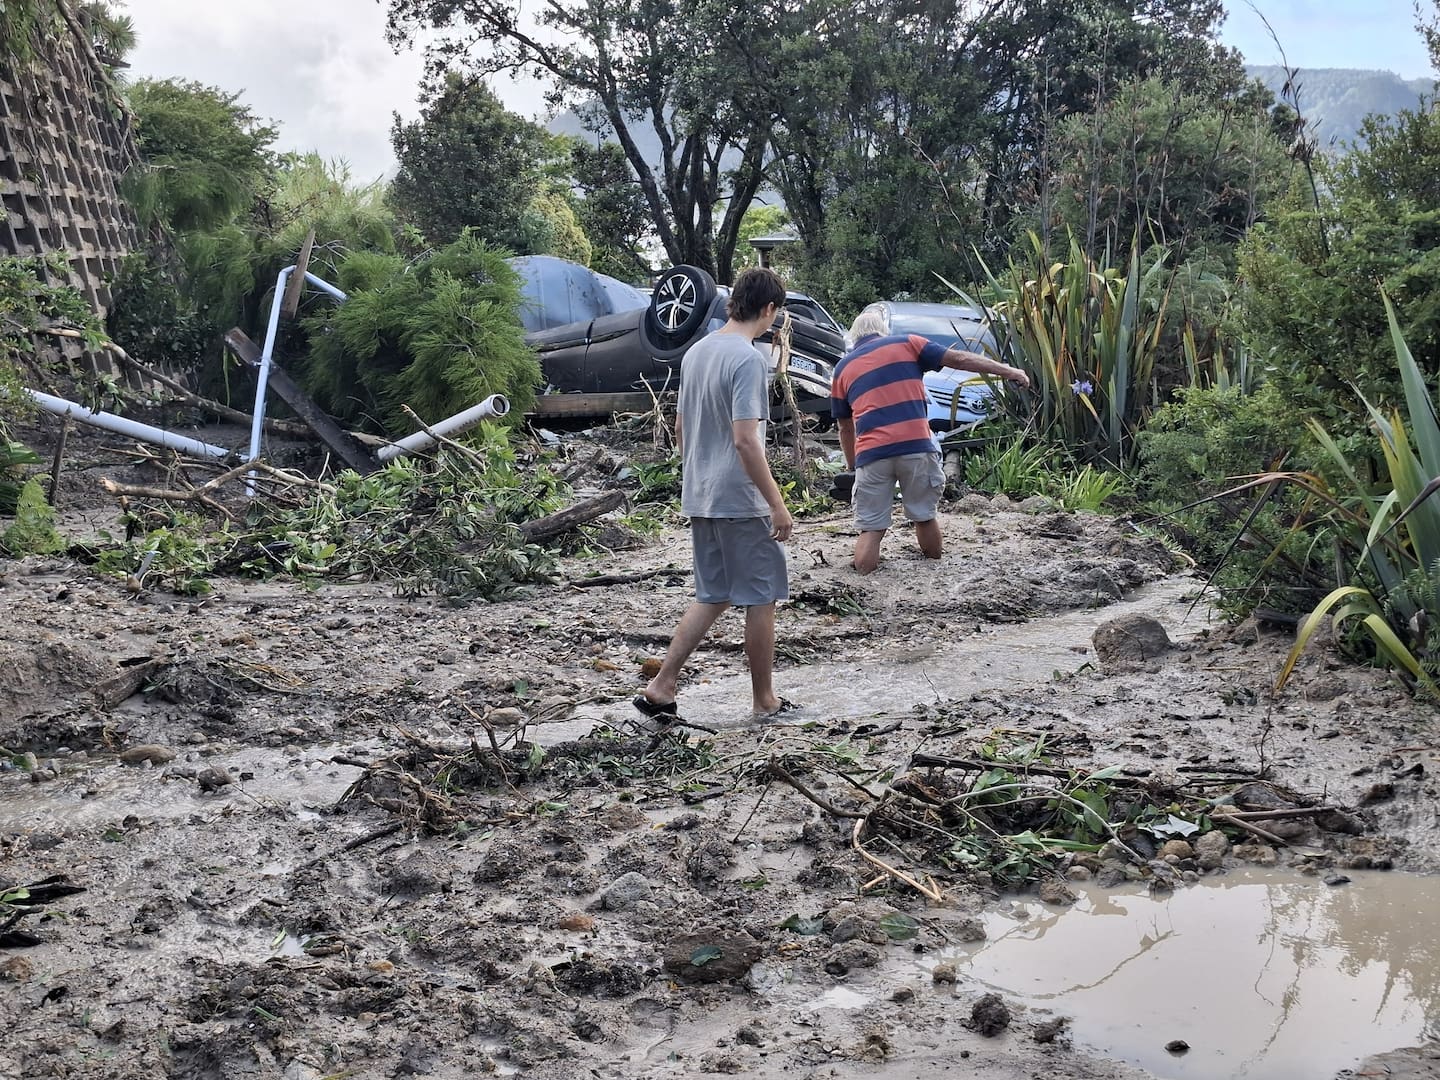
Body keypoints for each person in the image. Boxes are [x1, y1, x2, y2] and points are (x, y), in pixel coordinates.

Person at [635, 267, 796, 721]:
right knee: (762, 596)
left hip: (701, 492)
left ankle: (662, 686)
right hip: (739, 498)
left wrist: (699, 472)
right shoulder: (748, 359)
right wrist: (777, 504)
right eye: (776, 313)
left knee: (715, 594)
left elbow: (681, 428)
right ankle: (765, 700)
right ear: (769, 309)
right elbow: (746, 441)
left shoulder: (698, 351)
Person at [832, 305, 1029, 574]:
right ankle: (933, 574)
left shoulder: (842, 369)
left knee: (872, 529)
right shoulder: (908, 343)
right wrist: (1008, 371)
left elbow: (845, 428)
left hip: (872, 454)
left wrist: (853, 466)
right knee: (924, 517)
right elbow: (960, 359)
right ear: (883, 331)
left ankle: (864, 580)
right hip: (916, 448)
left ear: (855, 338)